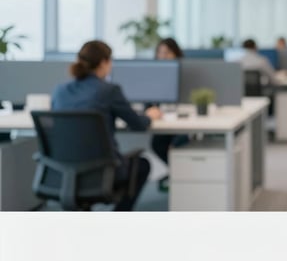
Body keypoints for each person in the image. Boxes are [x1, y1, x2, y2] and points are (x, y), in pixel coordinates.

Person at [51, 40, 163, 211]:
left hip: (65, 172)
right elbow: (138, 125)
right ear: (104, 62)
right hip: (102, 172)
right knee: (143, 165)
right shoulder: (109, 90)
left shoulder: (60, 91)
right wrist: (149, 115)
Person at [150, 38, 188, 192]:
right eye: (160, 52)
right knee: (157, 143)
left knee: (178, 142)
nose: (162, 56)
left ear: (176, 54)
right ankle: (176, 173)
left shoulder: (185, 71)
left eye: (167, 52)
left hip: (184, 120)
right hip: (162, 119)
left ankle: (182, 175)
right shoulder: (153, 74)